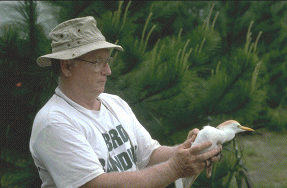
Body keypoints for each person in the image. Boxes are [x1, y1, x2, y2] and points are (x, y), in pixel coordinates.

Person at [29, 16, 222, 188]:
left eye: (107, 61)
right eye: (97, 62)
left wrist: (190, 150)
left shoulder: (114, 103)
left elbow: (149, 155)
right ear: (67, 66)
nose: (108, 71)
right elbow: (95, 185)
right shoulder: (53, 123)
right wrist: (175, 168)